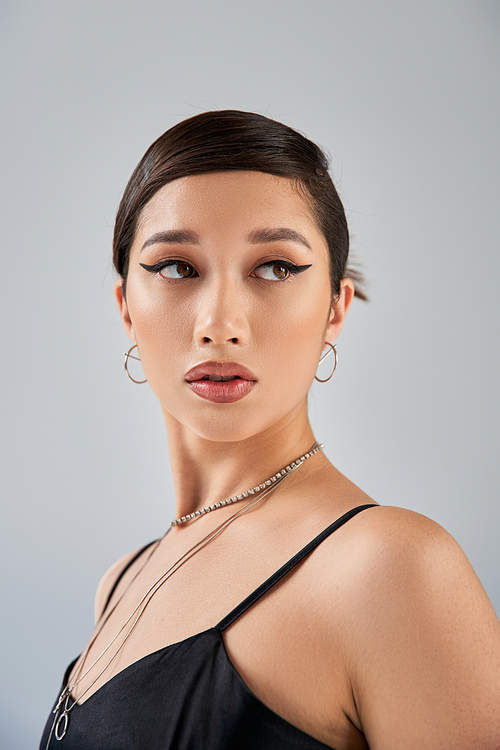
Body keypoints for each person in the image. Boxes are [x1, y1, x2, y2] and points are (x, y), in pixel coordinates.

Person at [41, 110, 500, 750]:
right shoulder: (120, 582)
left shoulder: (392, 570)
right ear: (126, 308)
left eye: (275, 267)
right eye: (176, 267)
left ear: (335, 309)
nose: (220, 323)